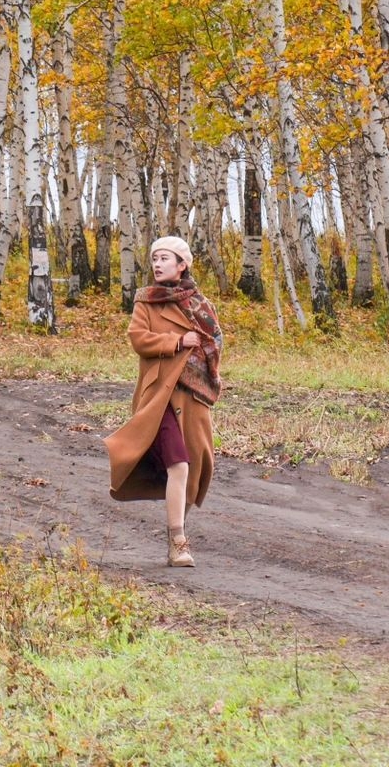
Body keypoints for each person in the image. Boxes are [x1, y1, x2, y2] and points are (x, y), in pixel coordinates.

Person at [103, 235, 223, 568]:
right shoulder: (146, 302)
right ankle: (178, 542)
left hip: (193, 398)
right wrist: (176, 341)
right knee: (179, 464)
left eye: (165, 258)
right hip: (159, 397)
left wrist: (207, 370)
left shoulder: (201, 305)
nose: (157, 264)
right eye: (154, 258)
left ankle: (176, 527)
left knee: (196, 468)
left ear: (182, 264)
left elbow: (215, 344)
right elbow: (138, 339)